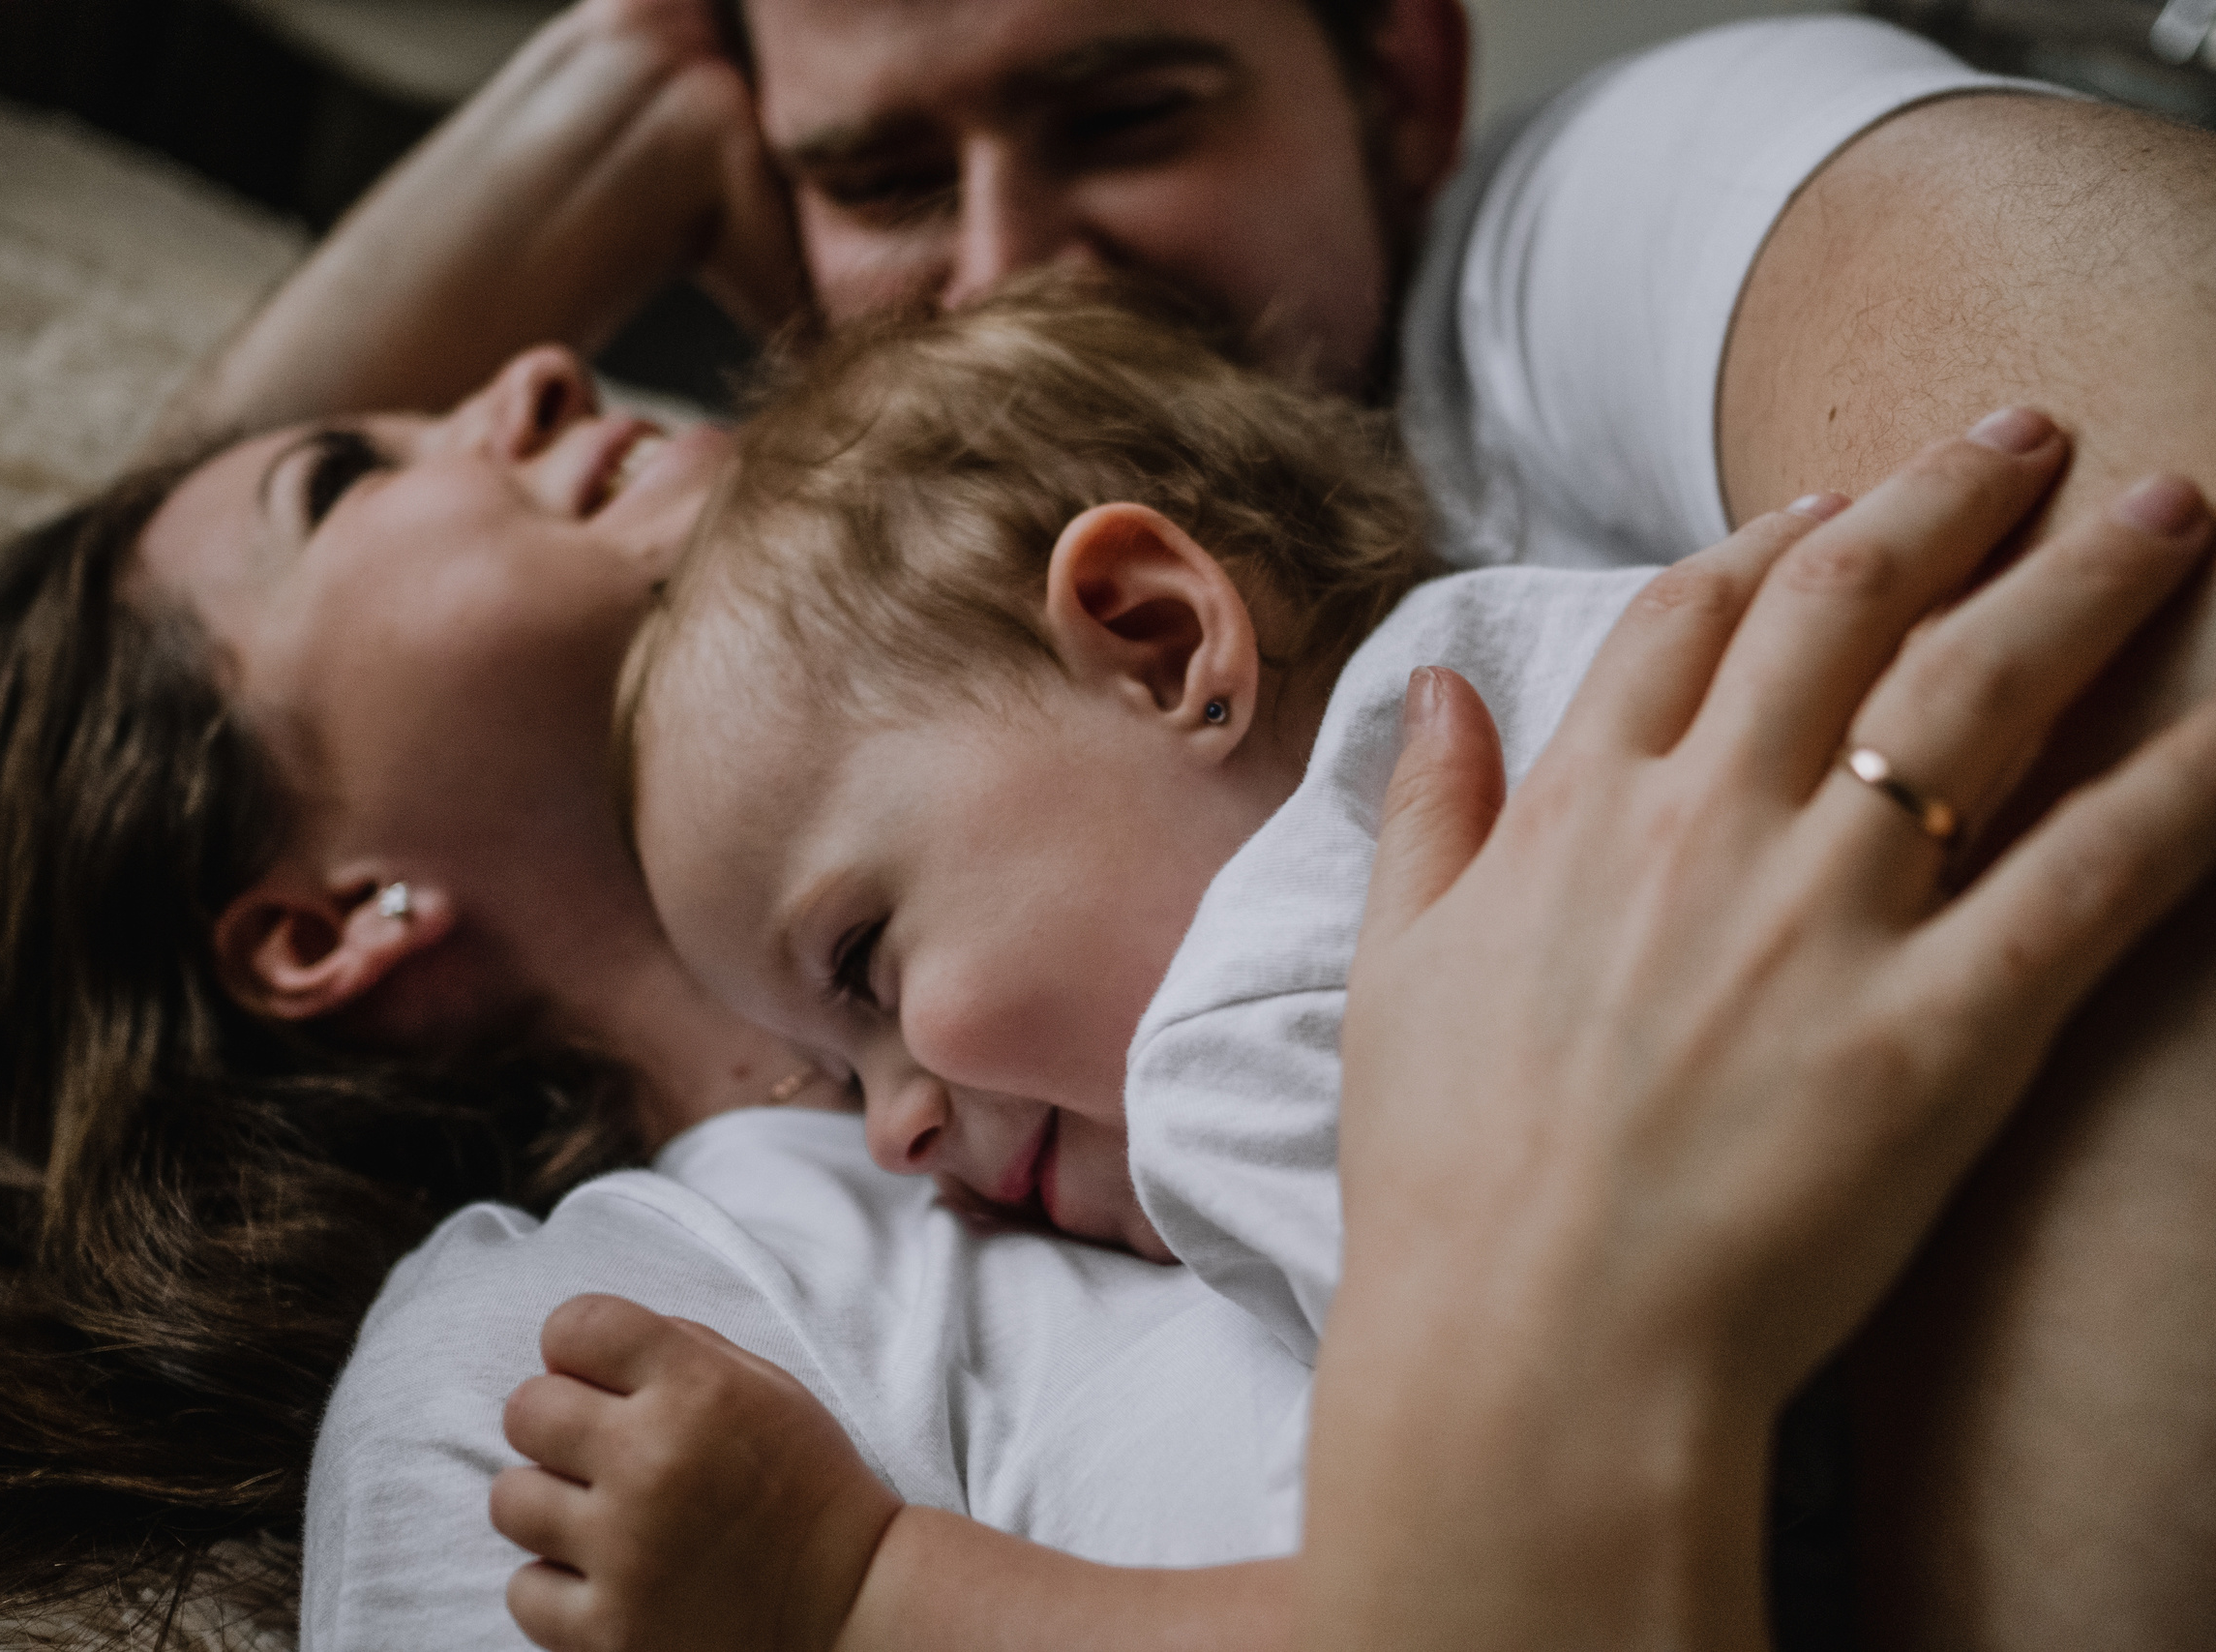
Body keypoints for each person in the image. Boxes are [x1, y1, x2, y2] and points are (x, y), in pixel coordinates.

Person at [174, 3, 2212, 1626]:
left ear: (1402, 78)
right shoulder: (568, 1334)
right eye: (873, 176)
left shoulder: (1252, 1001)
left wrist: (877, 1596)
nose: (995, 264)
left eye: (1125, 109)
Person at [481, 297, 2216, 1650]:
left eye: (862, 963)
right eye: (833, 1072)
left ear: (1158, 639)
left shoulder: (1247, 1032)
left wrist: (865, 1595)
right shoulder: (1570, 639)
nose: (891, 1138)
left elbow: (1474, 1597)